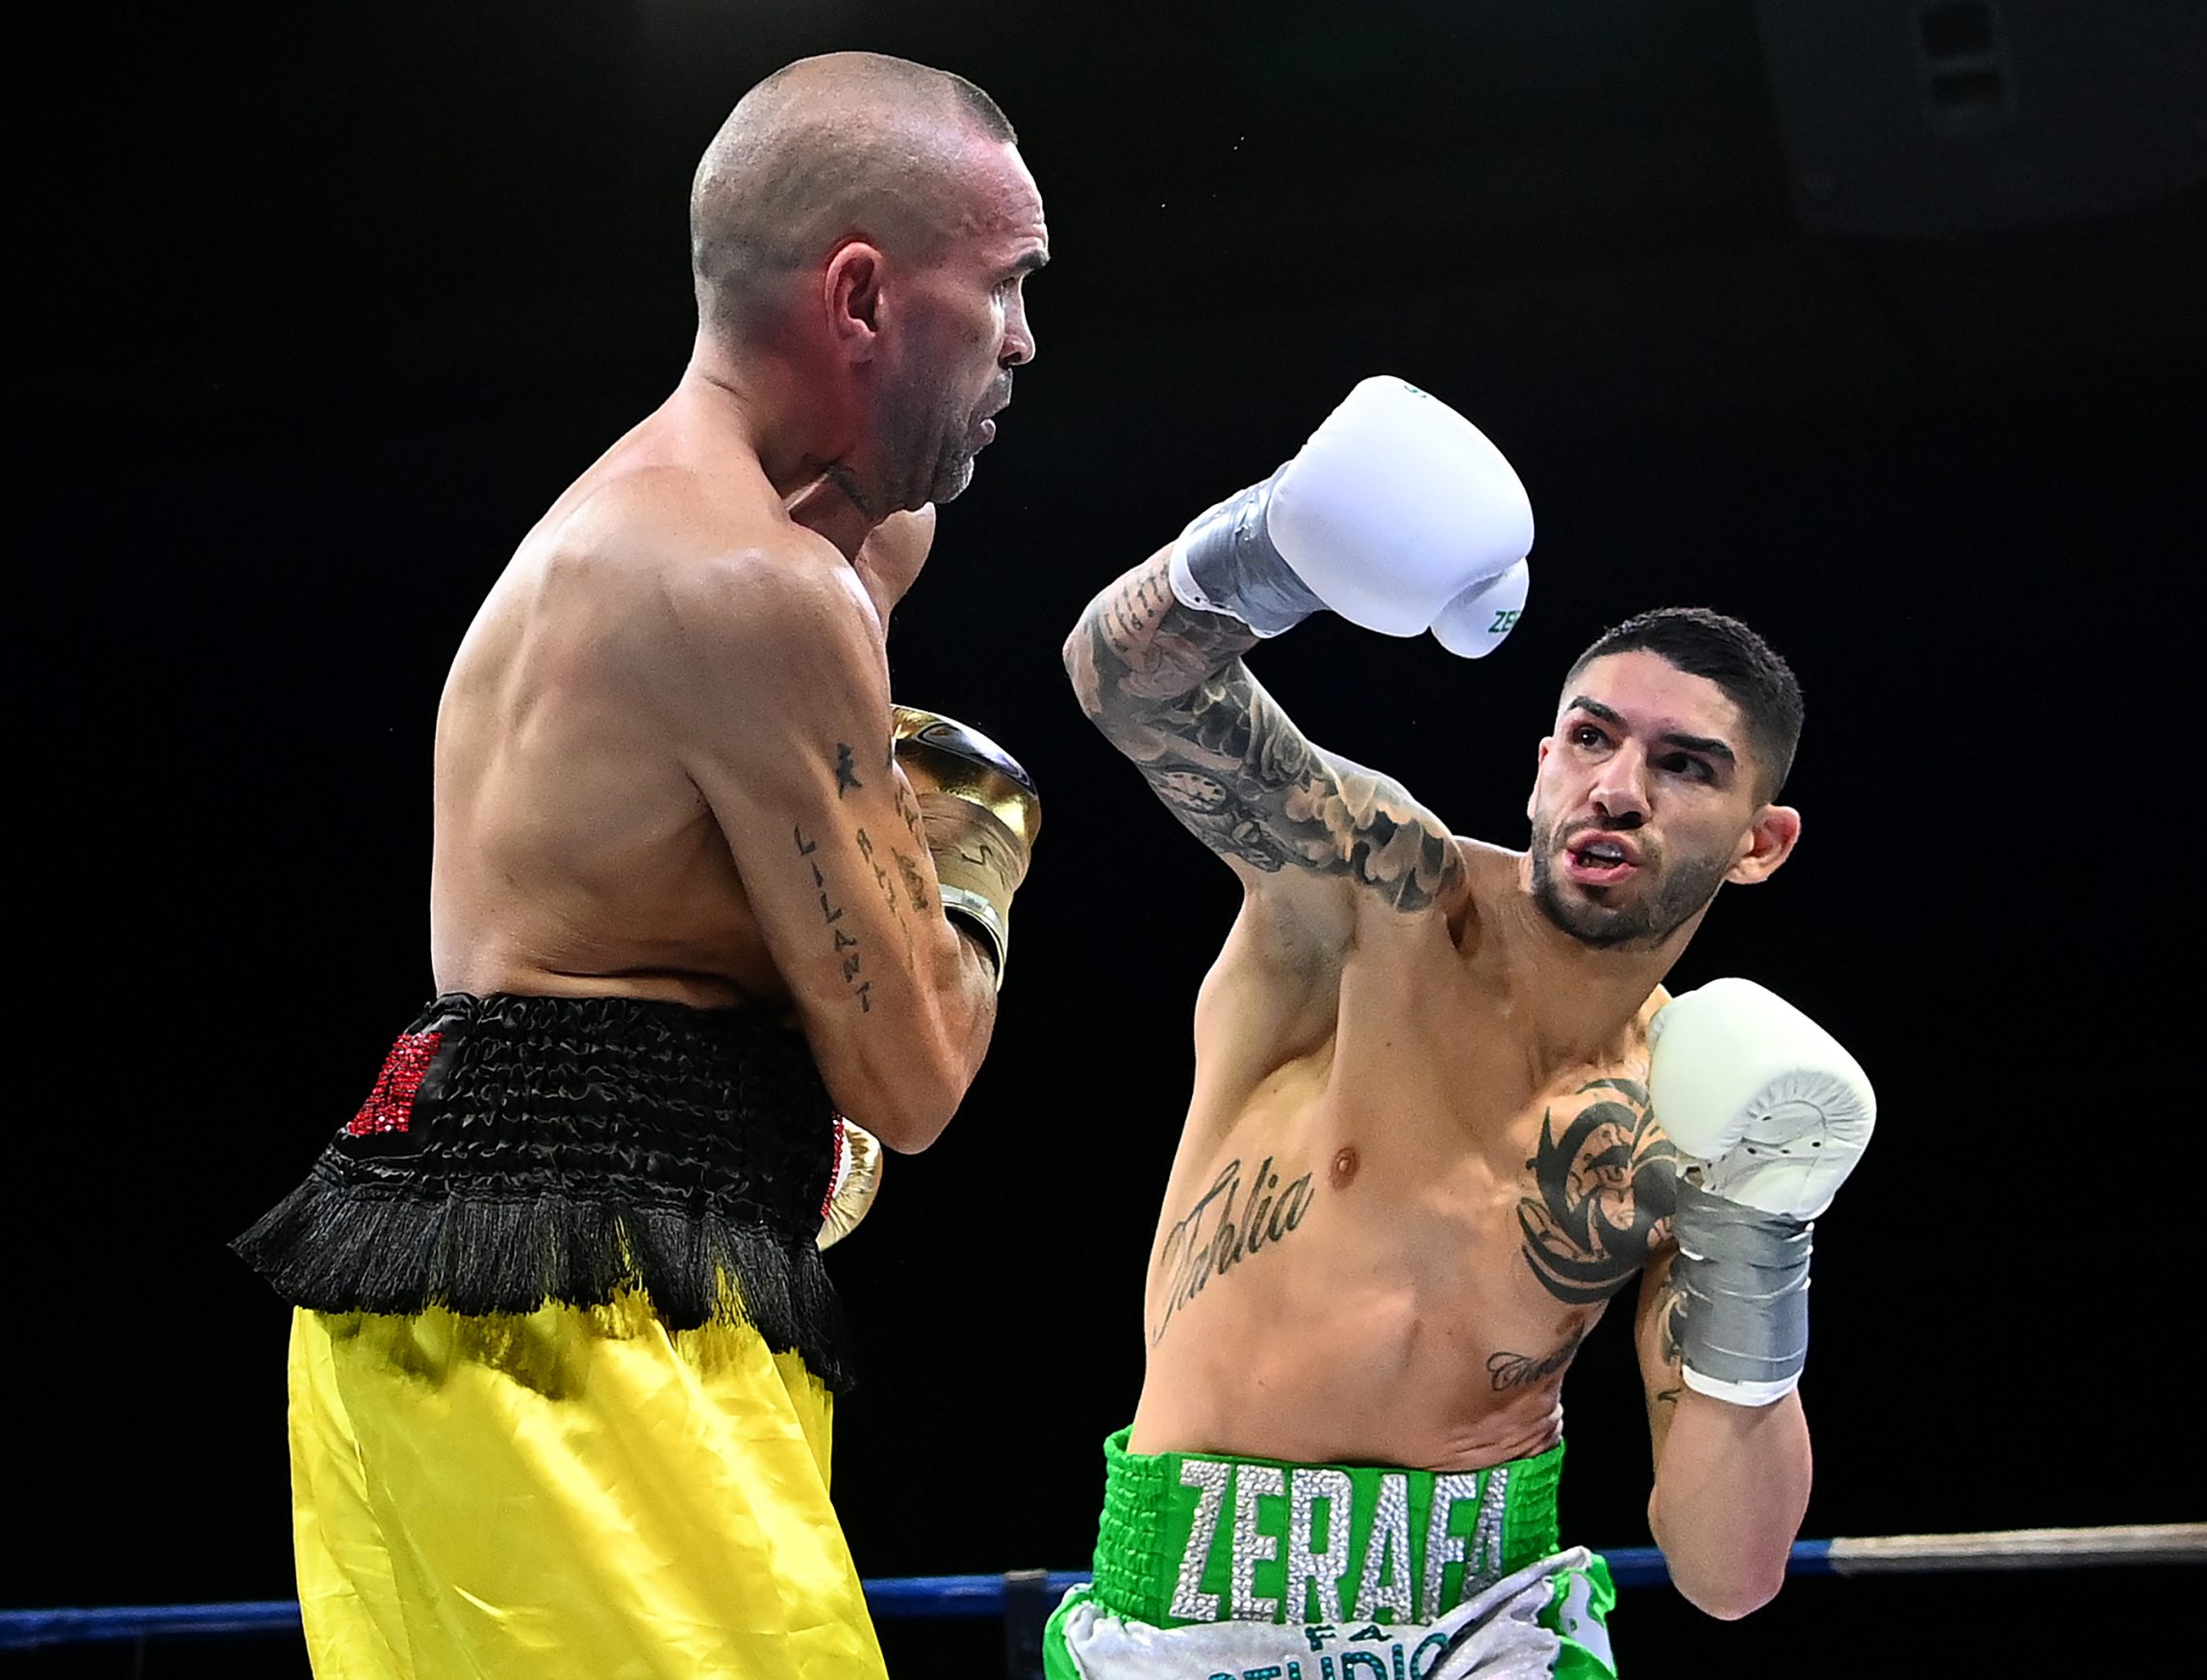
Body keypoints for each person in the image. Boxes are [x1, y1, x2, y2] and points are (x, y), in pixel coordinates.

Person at [234, 51, 1050, 1680]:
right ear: (864, 296)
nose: (1027, 339)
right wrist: (974, 852)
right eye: (1009, 286)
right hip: (564, 1337)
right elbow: (915, 1071)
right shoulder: (746, 578)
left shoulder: (828, 543)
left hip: (539, 1296)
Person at [1047, 376, 1878, 1677]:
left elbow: (1728, 1570)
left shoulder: (1699, 1113)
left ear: (1762, 844)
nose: (1619, 787)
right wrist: (1278, 543)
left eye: (1685, 764)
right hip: (1188, 1608)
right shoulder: (1381, 891)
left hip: (1491, 1629)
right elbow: (1123, 678)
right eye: (1594, 738)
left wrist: (1762, 1236)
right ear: (1542, 760)